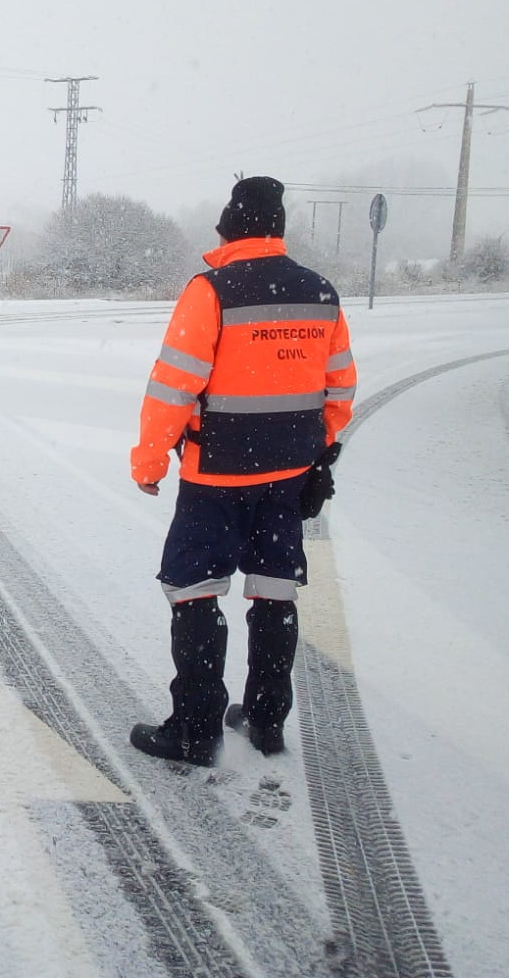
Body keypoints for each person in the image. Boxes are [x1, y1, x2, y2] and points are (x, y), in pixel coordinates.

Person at [128, 175, 356, 765]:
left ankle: (196, 729)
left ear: (230, 225)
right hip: (287, 478)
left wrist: (151, 458)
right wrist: (317, 452)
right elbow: (341, 388)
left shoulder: (211, 291)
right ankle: (265, 717)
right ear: (277, 228)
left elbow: (174, 385)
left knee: (194, 590)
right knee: (275, 591)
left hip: (216, 477)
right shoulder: (320, 294)